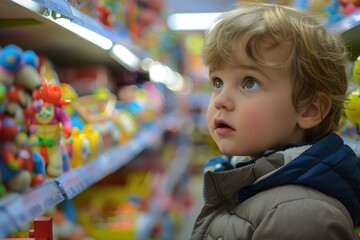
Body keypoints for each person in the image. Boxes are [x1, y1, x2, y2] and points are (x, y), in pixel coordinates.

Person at [191, 3, 360, 240]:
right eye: (218, 82)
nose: (221, 100)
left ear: (310, 109)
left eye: (250, 82)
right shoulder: (241, 174)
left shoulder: (302, 217)